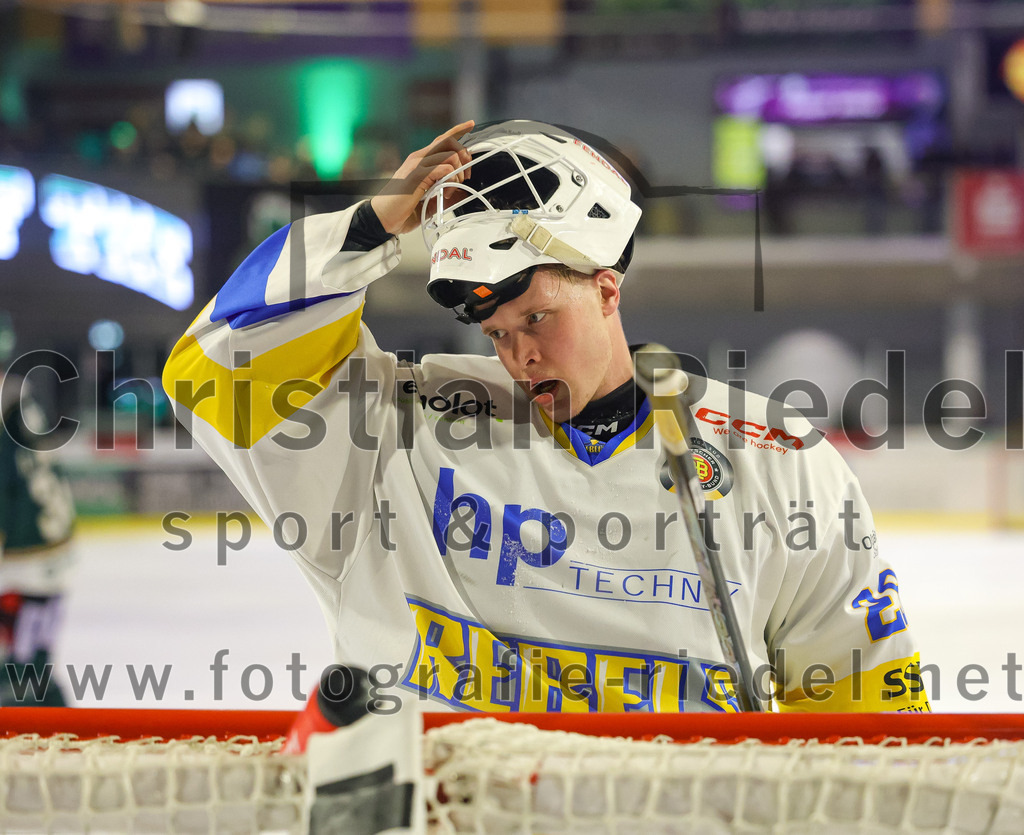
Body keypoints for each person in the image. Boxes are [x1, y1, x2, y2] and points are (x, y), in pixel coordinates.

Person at [163, 120, 929, 714]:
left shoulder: (778, 456)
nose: (518, 355)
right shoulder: (395, 434)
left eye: (536, 317)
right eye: (496, 334)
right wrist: (367, 226)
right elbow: (213, 371)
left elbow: (865, 701)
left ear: (606, 287)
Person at [0, 313, 75, 706]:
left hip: (20, 561)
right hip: (53, 550)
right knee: (33, 672)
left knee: (17, 685)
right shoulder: (16, 392)